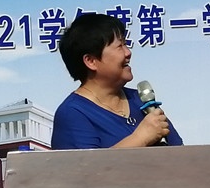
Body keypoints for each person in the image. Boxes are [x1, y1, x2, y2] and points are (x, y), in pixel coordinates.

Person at [51, 13, 183, 149]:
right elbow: (88, 163)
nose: (128, 53)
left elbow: (181, 153)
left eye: (126, 44)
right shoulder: (73, 113)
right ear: (91, 61)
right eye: (120, 46)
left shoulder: (139, 99)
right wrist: (141, 138)